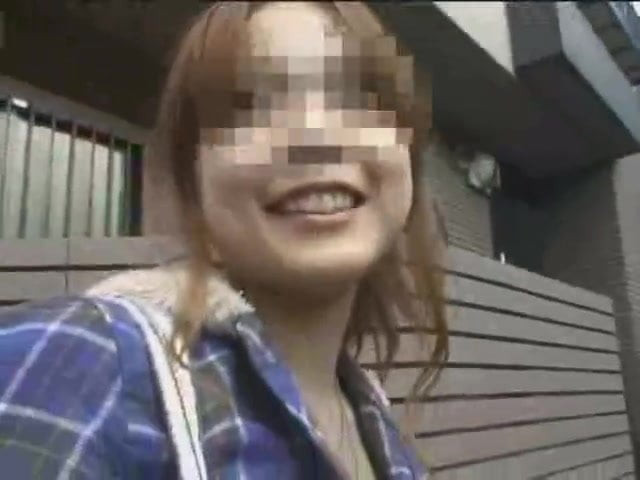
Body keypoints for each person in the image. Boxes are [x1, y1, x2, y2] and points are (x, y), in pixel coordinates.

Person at [0, 2, 448, 478]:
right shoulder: (83, 362)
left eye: (356, 97)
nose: (315, 135)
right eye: (251, 105)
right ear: (194, 188)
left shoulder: (381, 428)